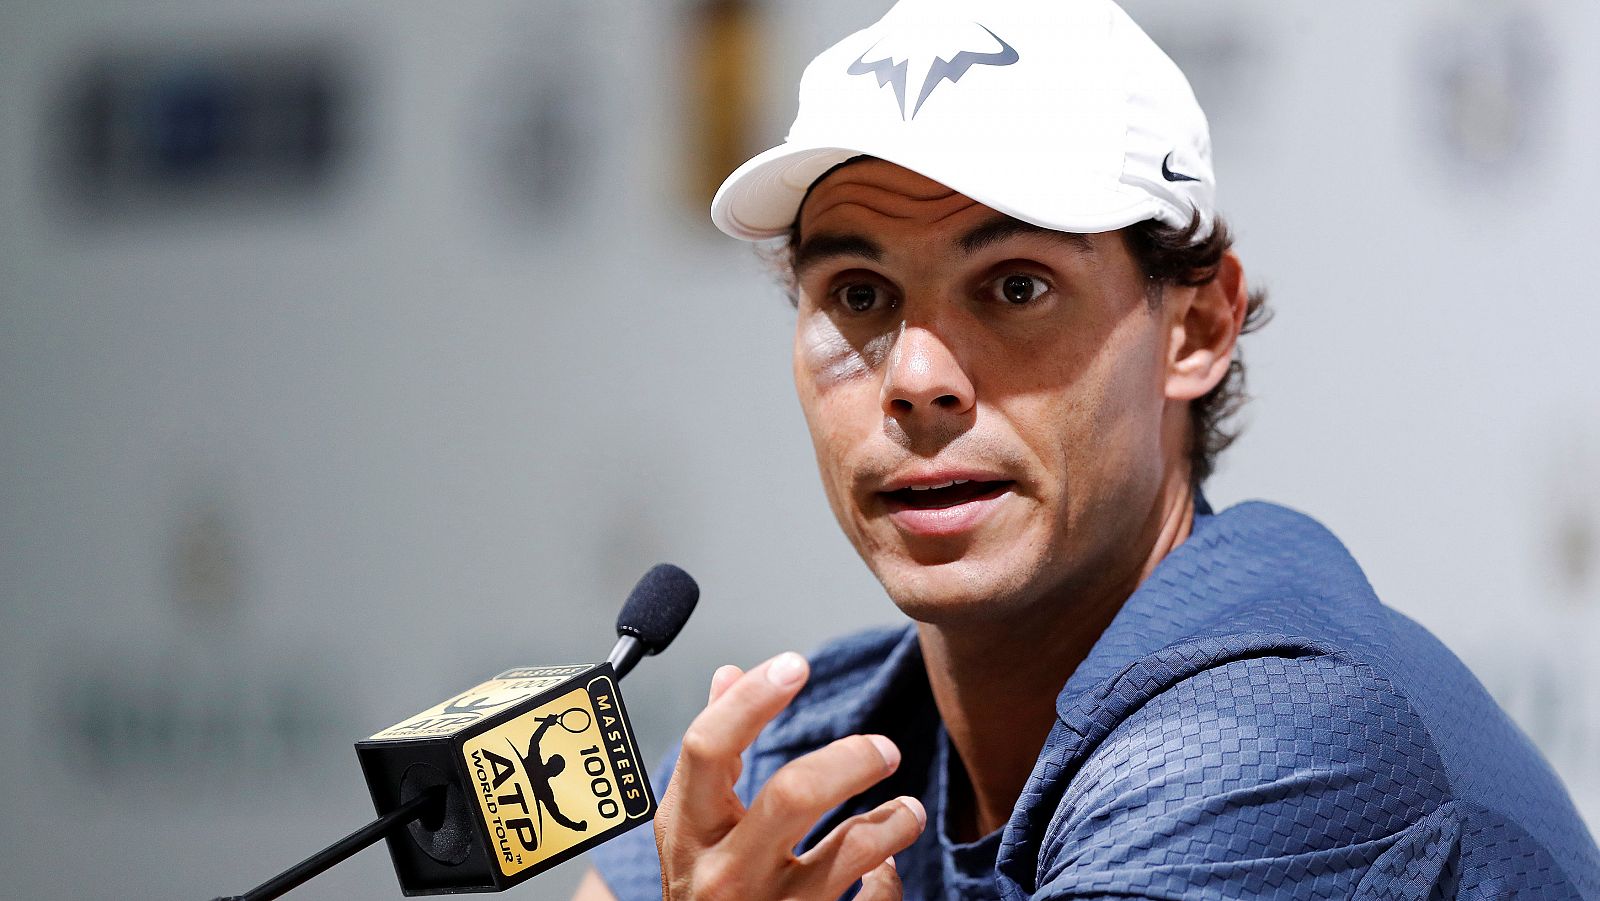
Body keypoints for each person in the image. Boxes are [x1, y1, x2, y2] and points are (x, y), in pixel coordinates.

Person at [575, 0, 1600, 898]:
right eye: (859, 295)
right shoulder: (793, 756)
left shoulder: (1275, 742)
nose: (915, 377)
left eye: (1015, 286)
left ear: (1194, 330)